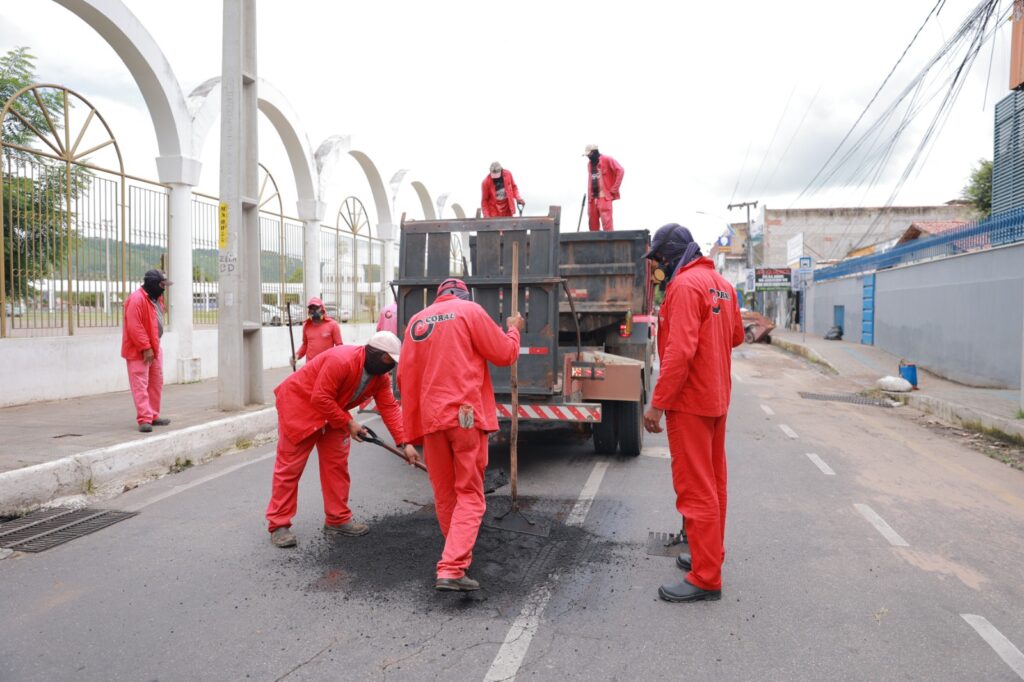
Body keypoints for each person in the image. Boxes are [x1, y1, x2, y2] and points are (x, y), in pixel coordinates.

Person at [398, 278, 524, 591]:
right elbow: (505, 353)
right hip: (464, 416)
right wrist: (514, 327)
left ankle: (456, 553)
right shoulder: (469, 311)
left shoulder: (416, 322)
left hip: (431, 419)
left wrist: (409, 435)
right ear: (463, 294)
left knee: (445, 493)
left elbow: (404, 379)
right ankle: (453, 567)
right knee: (470, 494)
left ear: (439, 296)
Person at [642, 224, 744, 603]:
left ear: (669, 258)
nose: (657, 269)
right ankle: (709, 556)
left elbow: (679, 353)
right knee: (714, 484)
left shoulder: (684, 286)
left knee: (695, 487)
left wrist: (658, 403)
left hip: (689, 402)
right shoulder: (720, 283)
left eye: (657, 261)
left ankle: (705, 577)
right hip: (716, 398)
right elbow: (735, 336)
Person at [266, 331, 420, 548]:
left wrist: (405, 443)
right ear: (374, 353)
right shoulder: (342, 360)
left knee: (336, 466)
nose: (391, 367)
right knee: (289, 469)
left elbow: (389, 408)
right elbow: (320, 396)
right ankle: (279, 524)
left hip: (334, 414)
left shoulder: (380, 378)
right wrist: (349, 424)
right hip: (300, 408)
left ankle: (337, 519)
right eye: (389, 360)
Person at [121, 269, 172, 433]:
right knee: (140, 385)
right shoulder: (136, 299)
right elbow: (135, 327)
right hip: (139, 350)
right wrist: (146, 347)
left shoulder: (156, 298)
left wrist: (153, 346)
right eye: (162, 284)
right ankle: (144, 419)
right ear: (153, 284)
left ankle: (153, 415)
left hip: (155, 346)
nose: (164, 288)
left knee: (156, 382)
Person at [583, 144, 624, 231]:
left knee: (607, 225)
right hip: (592, 198)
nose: (588, 157)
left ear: (594, 152)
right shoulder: (589, 164)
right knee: (592, 225)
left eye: (589, 155)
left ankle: (609, 243)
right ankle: (594, 243)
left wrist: (614, 189)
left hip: (604, 197)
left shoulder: (607, 159)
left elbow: (620, 170)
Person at [294, 296, 342, 368]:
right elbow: (305, 345)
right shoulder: (307, 326)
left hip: (326, 366)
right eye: (311, 308)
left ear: (322, 309)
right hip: (310, 366)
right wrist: (296, 356)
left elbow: (339, 346)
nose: (313, 311)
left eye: (316, 308)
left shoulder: (333, 325)